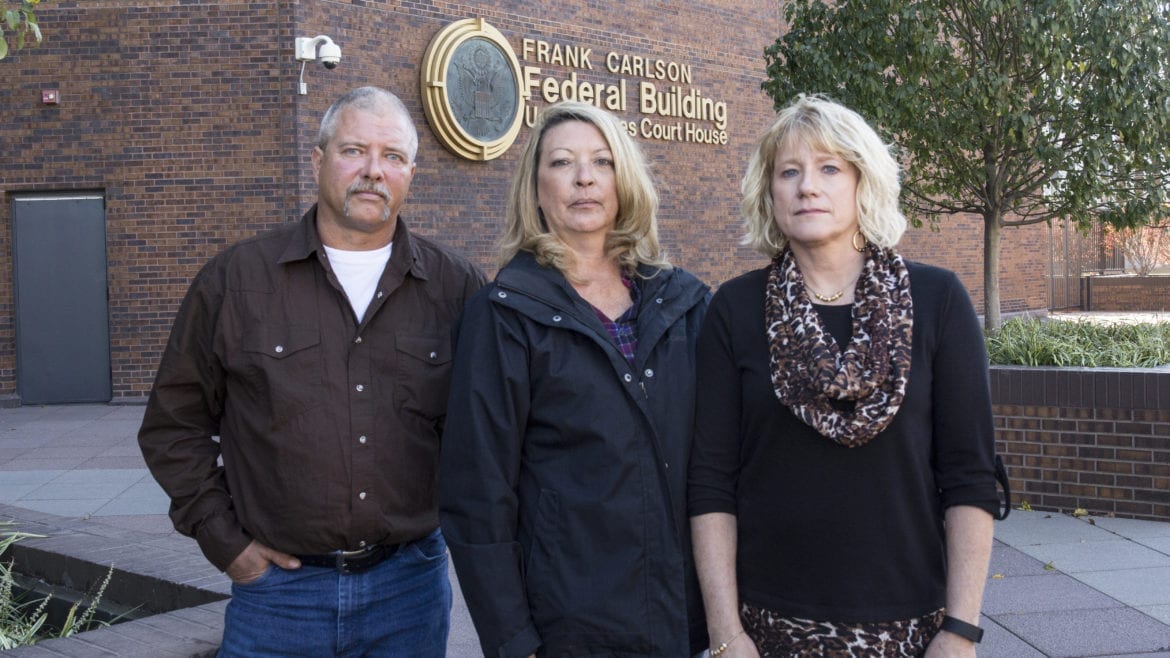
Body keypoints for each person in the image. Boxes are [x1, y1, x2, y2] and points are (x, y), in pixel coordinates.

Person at [138, 86, 486, 657]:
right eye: (354, 150)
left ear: (411, 173)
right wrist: (225, 543)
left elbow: (491, 431)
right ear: (319, 159)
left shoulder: (457, 288)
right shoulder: (235, 282)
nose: (374, 171)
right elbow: (172, 426)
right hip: (279, 596)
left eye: (393, 157)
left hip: (410, 591)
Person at [688, 95, 999, 658]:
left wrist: (961, 630)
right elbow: (711, 482)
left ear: (864, 182)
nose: (809, 186)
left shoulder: (938, 301)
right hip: (768, 629)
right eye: (790, 171)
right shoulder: (734, 310)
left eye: (830, 168)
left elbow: (969, 476)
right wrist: (725, 633)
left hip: (913, 628)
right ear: (770, 192)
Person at [439, 100, 710, 658]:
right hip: (571, 629)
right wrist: (515, 641)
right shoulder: (505, 315)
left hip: (685, 616)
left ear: (624, 180)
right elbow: (478, 495)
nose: (585, 177)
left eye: (602, 161)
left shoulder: (683, 302)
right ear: (536, 189)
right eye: (562, 162)